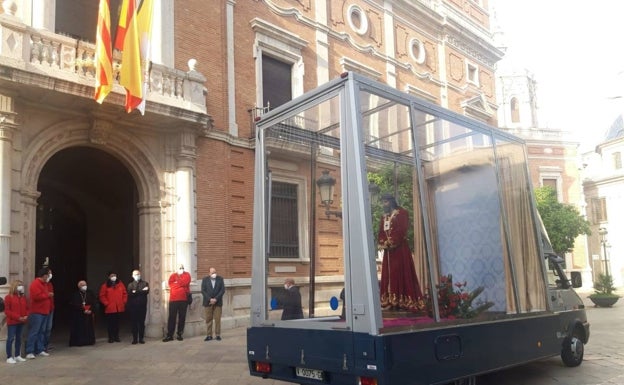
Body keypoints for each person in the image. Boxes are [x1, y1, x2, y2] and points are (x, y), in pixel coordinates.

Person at [377, 193, 423, 311]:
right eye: (383, 202)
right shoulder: (384, 217)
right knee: (389, 274)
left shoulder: (402, 213)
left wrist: (391, 242)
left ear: (391, 201)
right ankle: (389, 301)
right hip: (388, 253)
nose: (384, 204)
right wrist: (383, 242)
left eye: (385, 202)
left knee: (400, 272)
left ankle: (403, 301)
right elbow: (381, 232)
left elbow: (401, 230)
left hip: (400, 250)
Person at [25, 267, 53, 359]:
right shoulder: (35, 284)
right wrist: (47, 295)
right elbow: (36, 296)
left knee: (41, 331)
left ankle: (40, 349)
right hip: (37, 312)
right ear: (44, 275)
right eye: (47, 275)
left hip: (44, 311)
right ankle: (30, 351)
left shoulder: (45, 284)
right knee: (34, 331)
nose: (48, 277)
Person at [163, 263, 191, 342]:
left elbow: (186, 282)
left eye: (182, 268)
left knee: (182, 317)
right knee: (172, 317)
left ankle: (180, 334)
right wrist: (180, 284)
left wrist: (177, 282)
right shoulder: (172, 275)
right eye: (179, 268)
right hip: (173, 300)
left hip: (183, 299)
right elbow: (171, 285)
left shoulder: (187, 275)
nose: (180, 269)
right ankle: (170, 335)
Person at [99, 271, 127, 343]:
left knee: (117, 323)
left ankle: (116, 336)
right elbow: (102, 296)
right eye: (112, 275)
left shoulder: (120, 284)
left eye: (114, 275)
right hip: (110, 308)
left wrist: (123, 302)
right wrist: (106, 303)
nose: (113, 277)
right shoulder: (105, 285)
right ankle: (111, 337)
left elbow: (125, 293)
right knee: (110, 324)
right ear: (109, 277)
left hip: (119, 307)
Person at [5, 280, 28, 363]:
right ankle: (9, 356)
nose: (21, 287)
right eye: (19, 285)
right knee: (10, 339)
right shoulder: (8, 297)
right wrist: (18, 317)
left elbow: (26, 308)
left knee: (19, 338)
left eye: (21, 285)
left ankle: (17, 355)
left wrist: (26, 316)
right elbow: (7, 311)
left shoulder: (23, 297)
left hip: (21, 321)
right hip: (12, 322)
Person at [69, 280, 96, 347]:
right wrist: (82, 310)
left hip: (89, 313)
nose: (84, 286)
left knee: (89, 327)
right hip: (79, 314)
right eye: (82, 285)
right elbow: (74, 304)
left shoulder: (90, 293)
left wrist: (91, 310)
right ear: (79, 286)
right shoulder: (76, 294)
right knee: (79, 328)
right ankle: (80, 342)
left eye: (85, 285)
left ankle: (89, 341)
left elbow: (94, 302)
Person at [201, 267, 225, 341]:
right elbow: (203, 291)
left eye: (215, 272)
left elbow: (222, 290)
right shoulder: (205, 280)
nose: (214, 274)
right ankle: (209, 335)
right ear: (209, 273)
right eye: (212, 273)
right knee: (208, 319)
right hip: (208, 302)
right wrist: (210, 299)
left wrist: (215, 299)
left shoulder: (220, 279)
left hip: (218, 303)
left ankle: (217, 334)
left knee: (217, 319)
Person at [127, 269, 149, 344]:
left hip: (142, 307)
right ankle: (135, 339)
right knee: (134, 323)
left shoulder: (145, 283)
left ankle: (141, 338)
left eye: (138, 274)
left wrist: (135, 291)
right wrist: (141, 291)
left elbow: (146, 291)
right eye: (135, 274)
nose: (137, 275)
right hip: (133, 307)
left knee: (141, 323)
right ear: (133, 276)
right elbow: (130, 294)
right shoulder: (130, 285)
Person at [42, 266, 54, 353]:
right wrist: (47, 295)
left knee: (48, 328)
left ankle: (46, 345)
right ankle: (41, 347)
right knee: (42, 329)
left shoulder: (50, 284)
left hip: (50, 308)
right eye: (49, 273)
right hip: (42, 310)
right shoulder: (39, 283)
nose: (50, 275)